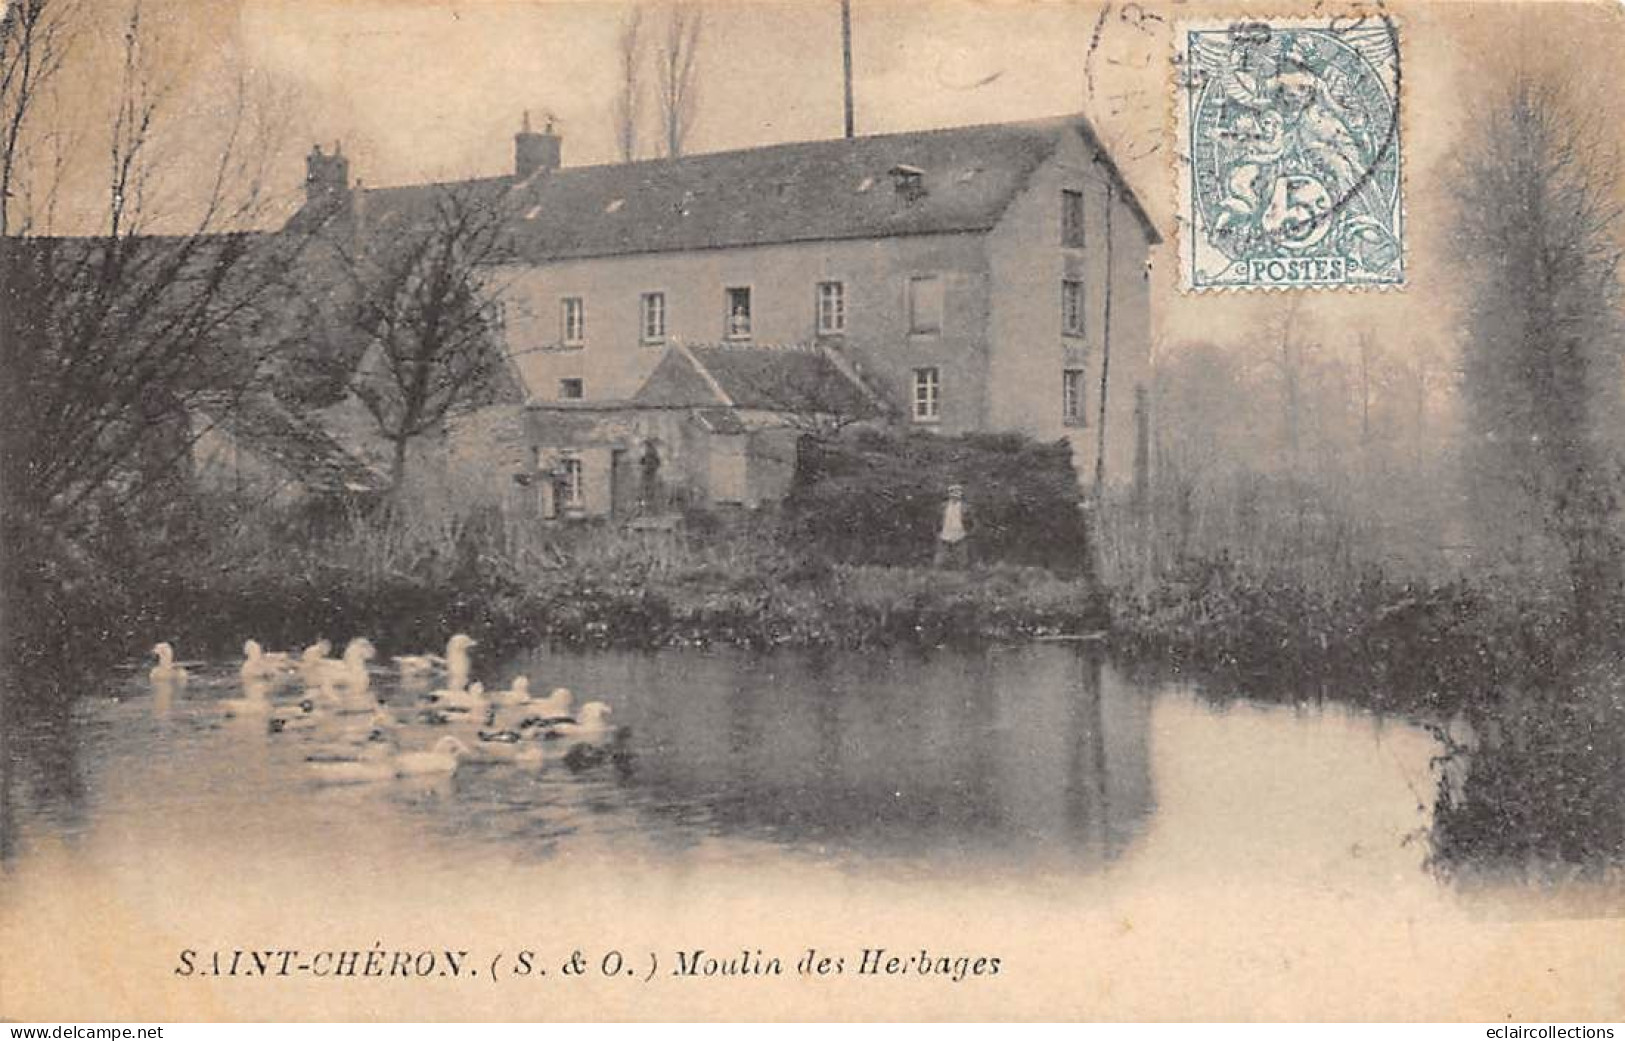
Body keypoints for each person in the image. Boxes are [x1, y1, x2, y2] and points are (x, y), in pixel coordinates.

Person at [934, 483, 970, 568]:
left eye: (957, 493)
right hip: (945, 533)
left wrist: (968, 532)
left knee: (962, 559)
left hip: (960, 534)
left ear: (961, 494)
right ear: (949, 494)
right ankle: (939, 575)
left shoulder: (966, 507)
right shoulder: (943, 506)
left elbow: (972, 521)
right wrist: (937, 532)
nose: (955, 495)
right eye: (952, 493)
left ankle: (961, 575)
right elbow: (936, 520)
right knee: (940, 559)